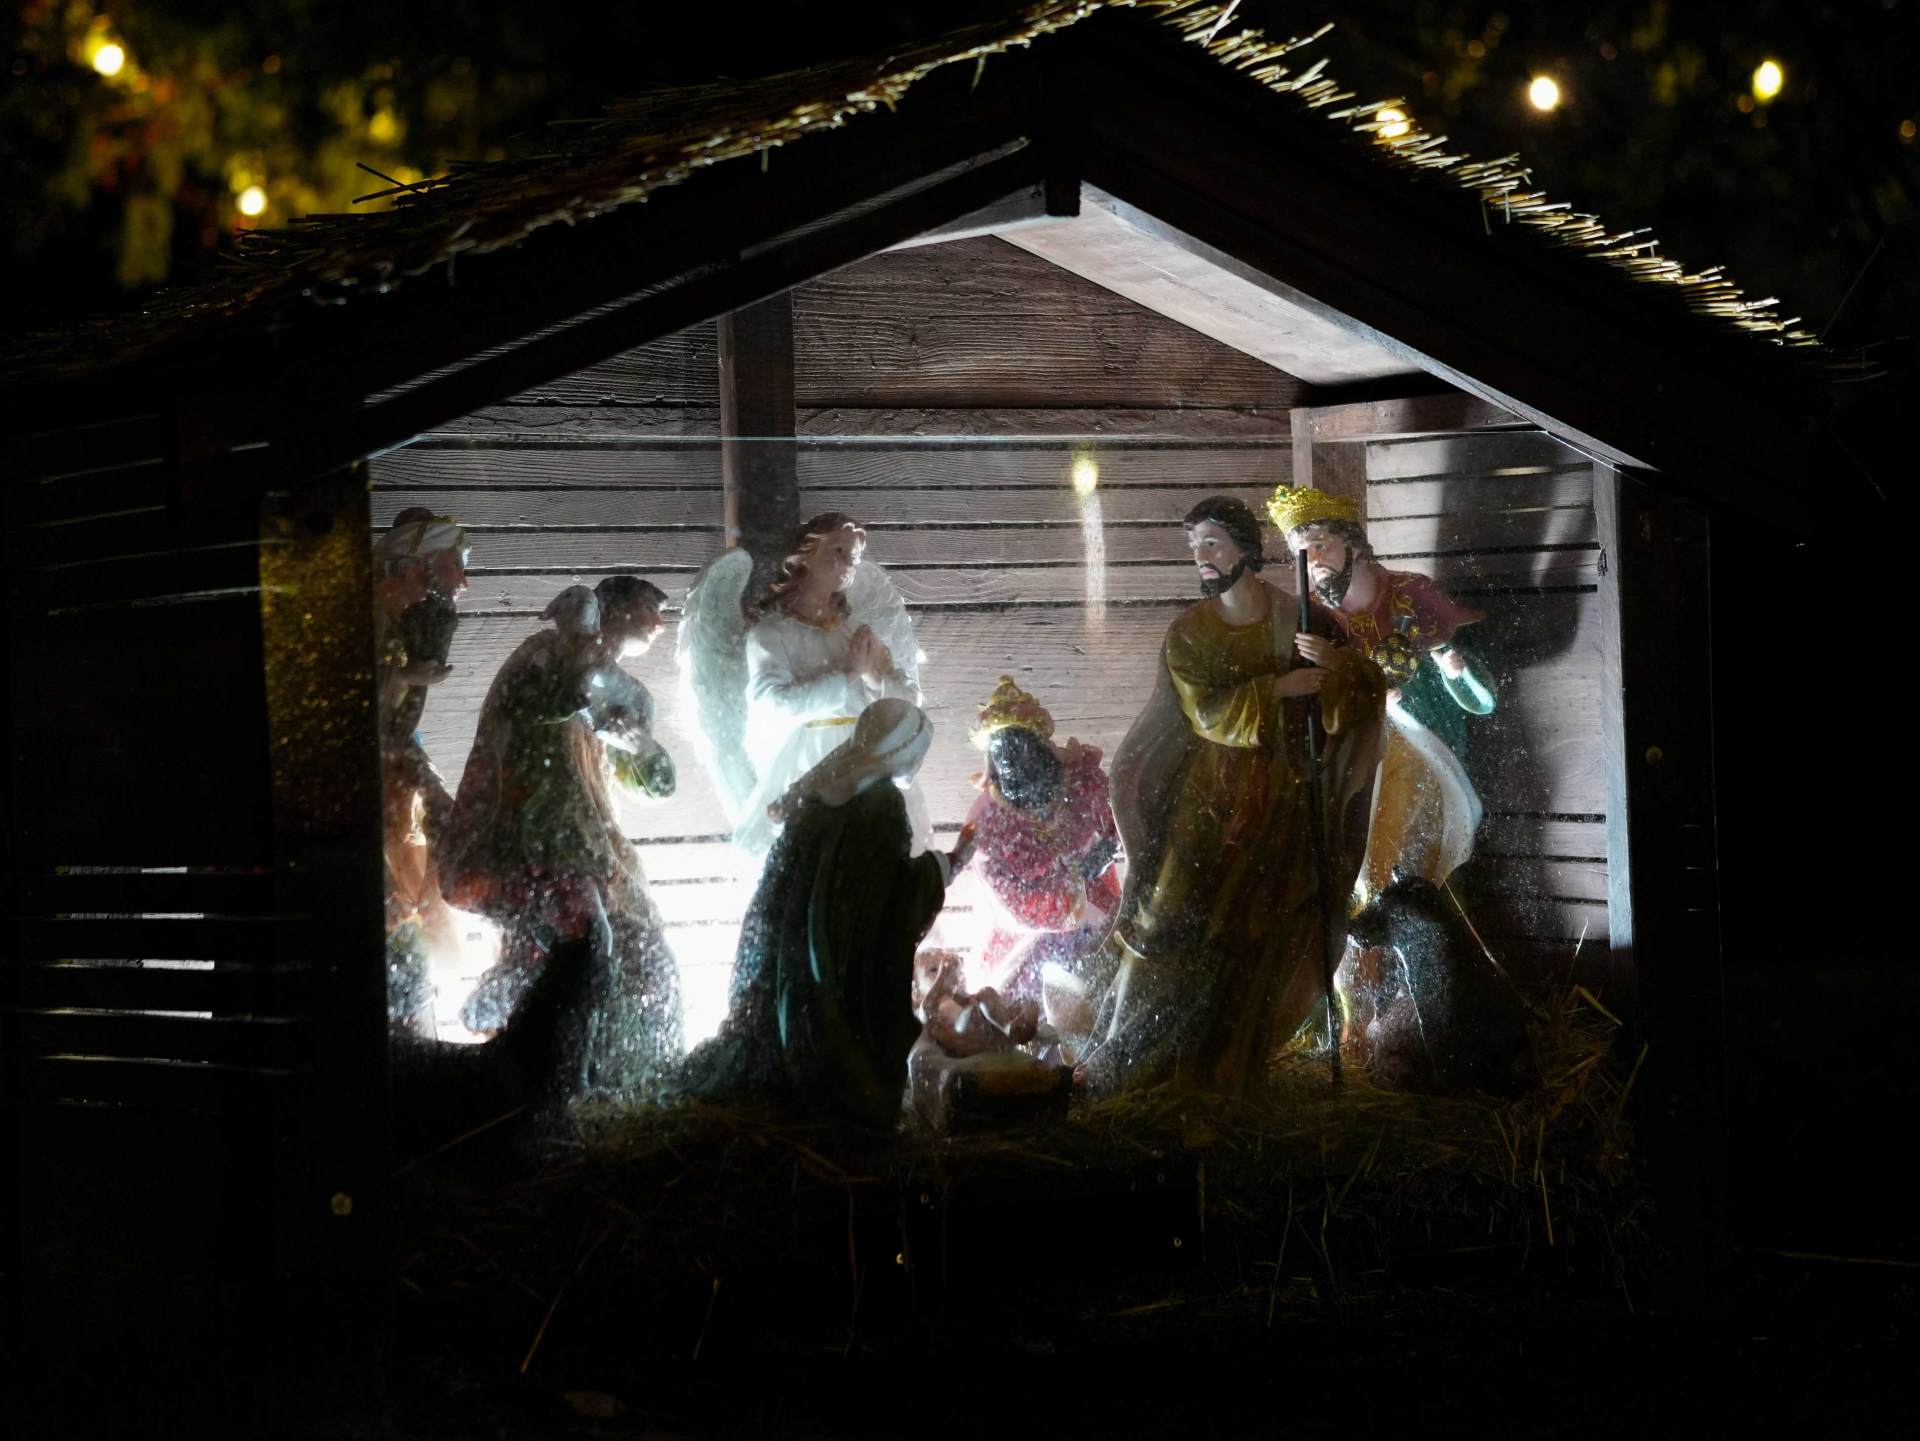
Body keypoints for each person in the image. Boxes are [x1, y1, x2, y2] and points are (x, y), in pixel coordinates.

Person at [1087, 496, 1386, 1098]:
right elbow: (1205, 713)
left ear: (1245, 549)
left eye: (1212, 543)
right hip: (1211, 803)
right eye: (1194, 546)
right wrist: (1279, 687)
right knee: (1167, 917)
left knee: (1260, 932)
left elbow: (1361, 691)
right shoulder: (1190, 634)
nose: (1200, 556)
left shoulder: (1301, 617)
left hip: (1285, 801)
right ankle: (1125, 1061)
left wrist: (1334, 666)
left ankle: (1227, 1068)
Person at [438, 575, 682, 1092]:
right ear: (616, 609)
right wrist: (577, 690)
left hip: (589, 842)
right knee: (578, 939)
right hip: (535, 831)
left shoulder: (631, 692)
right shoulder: (545, 653)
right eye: (650, 609)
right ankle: (550, 1063)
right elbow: (520, 711)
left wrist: (638, 746)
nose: (660, 624)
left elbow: (655, 783)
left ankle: (614, 1068)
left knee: (637, 946)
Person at [681, 700, 974, 1126]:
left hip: (787, 946)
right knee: (844, 1075)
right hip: (831, 965)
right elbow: (887, 898)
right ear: (901, 747)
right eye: (918, 749)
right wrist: (950, 863)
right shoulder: (879, 804)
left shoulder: (826, 789)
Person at [1268, 484, 1497, 904]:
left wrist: (1451, 666)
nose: (1313, 561)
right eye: (1301, 552)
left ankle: (1382, 897)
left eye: (1321, 544)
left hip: (1419, 744)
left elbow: (1472, 689)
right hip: (1352, 749)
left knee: (1400, 820)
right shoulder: (1310, 618)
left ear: (1353, 545)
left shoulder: (1411, 595)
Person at [677, 513, 927, 864]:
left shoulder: (855, 630)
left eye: (854, 556)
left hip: (866, 757)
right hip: (811, 759)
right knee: (817, 855)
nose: (848, 562)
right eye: (837, 550)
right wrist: (847, 674)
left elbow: (909, 702)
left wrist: (875, 679)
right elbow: (773, 703)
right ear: (805, 555)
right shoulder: (772, 634)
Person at [962, 676, 1121, 1022]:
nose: (1012, 762)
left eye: (1021, 748)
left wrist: (1109, 846)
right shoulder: (988, 824)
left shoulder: (1079, 782)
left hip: (1097, 904)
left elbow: (1117, 819)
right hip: (1029, 935)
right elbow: (1014, 905)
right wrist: (1078, 877)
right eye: (1001, 754)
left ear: (1043, 747)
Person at [372, 509, 469, 1036]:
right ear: (417, 565)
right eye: (455, 564)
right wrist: (406, 675)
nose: (463, 581)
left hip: (393, 785)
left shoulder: (403, 625)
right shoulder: (371, 620)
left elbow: (398, 729)